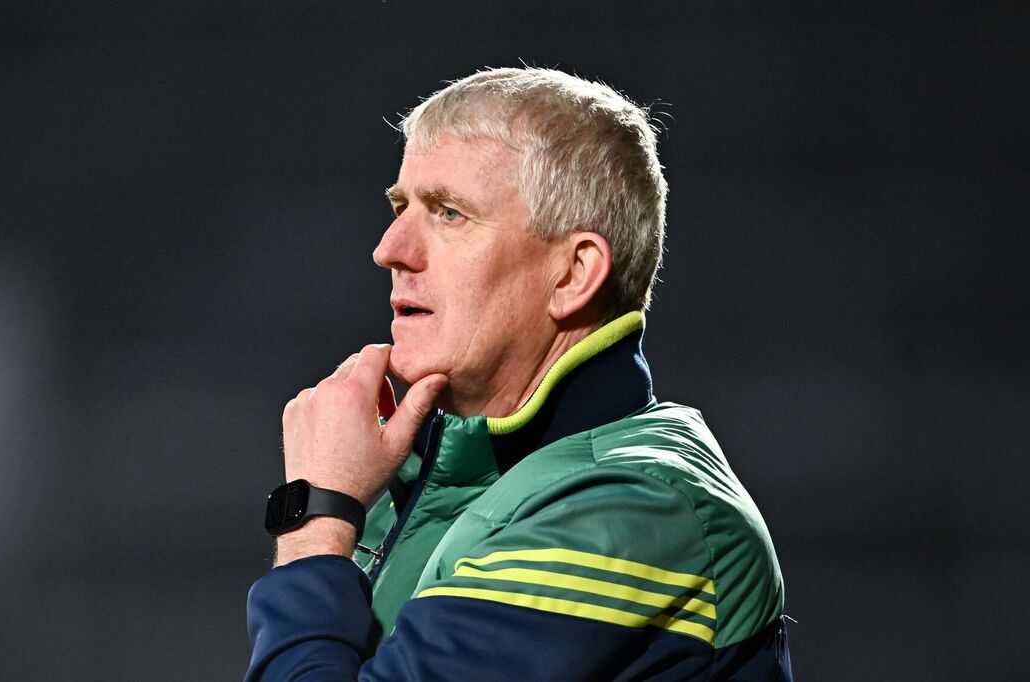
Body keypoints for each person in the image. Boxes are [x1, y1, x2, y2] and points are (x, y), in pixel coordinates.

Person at [246, 67, 791, 680]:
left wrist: (315, 521)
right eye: (401, 206)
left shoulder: (630, 509)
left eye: (449, 213)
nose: (389, 248)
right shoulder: (414, 476)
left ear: (573, 274)